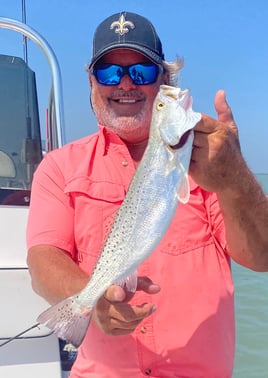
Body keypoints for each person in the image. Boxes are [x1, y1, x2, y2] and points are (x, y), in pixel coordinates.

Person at [26, 11, 268, 378]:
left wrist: (236, 178)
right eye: (109, 73)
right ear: (92, 82)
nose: (125, 84)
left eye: (141, 72)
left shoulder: (214, 167)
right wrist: (91, 300)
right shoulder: (59, 168)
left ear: (164, 79)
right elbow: (43, 260)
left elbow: (261, 257)